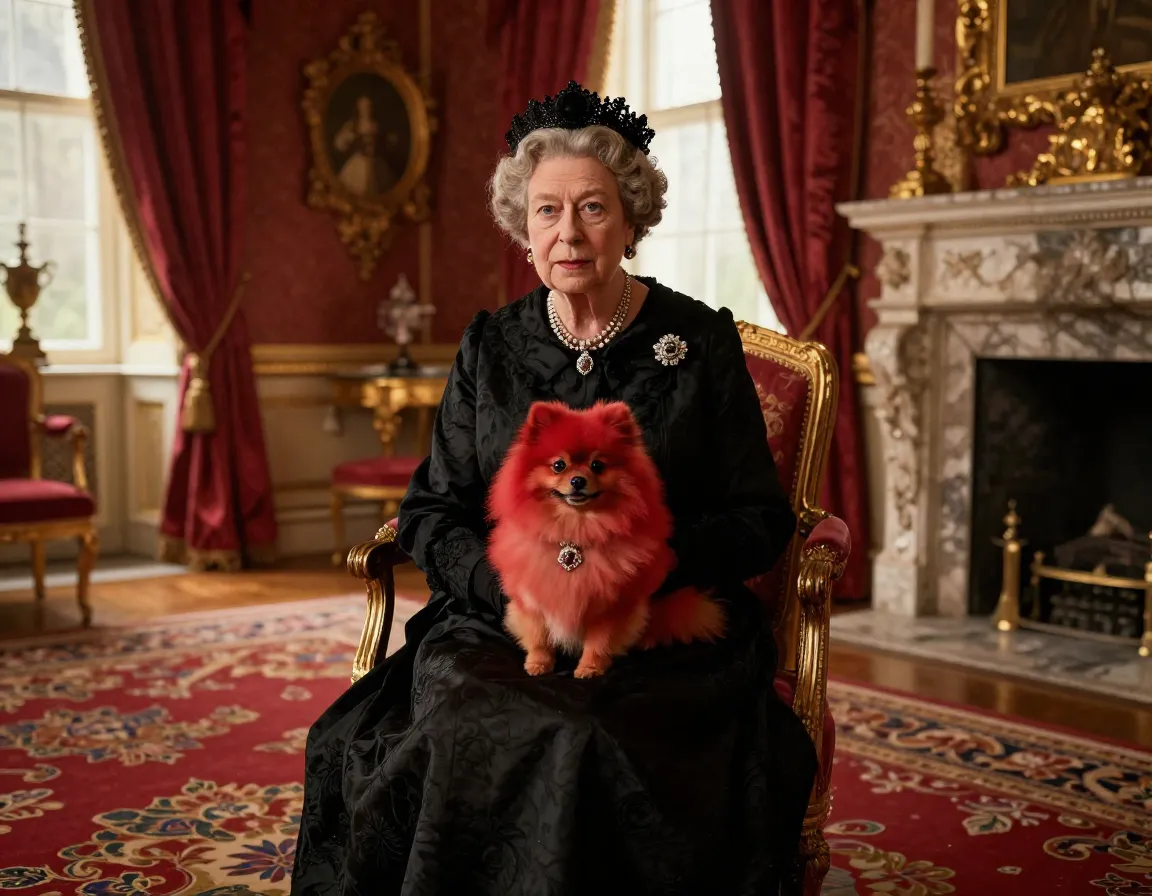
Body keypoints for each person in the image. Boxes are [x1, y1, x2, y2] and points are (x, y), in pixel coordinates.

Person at [292, 80, 817, 895]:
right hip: (506, 619)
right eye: (546, 211)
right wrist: (504, 580)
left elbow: (758, 517)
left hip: (655, 622)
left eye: (593, 208)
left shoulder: (697, 339)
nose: (568, 233)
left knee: (589, 730)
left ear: (631, 218)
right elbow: (431, 510)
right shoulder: (490, 346)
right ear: (523, 226)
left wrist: (646, 564)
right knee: (481, 714)